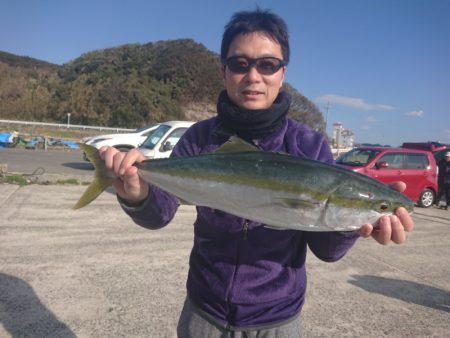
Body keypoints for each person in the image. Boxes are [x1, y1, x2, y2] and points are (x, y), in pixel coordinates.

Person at [99, 9, 414, 337]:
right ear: (223, 72)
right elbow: (159, 213)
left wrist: (356, 226)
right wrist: (136, 193)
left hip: (277, 320)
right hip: (203, 311)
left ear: (282, 73)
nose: (253, 77)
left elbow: (326, 250)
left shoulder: (309, 145)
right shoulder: (200, 138)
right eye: (239, 64)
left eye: (267, 65)